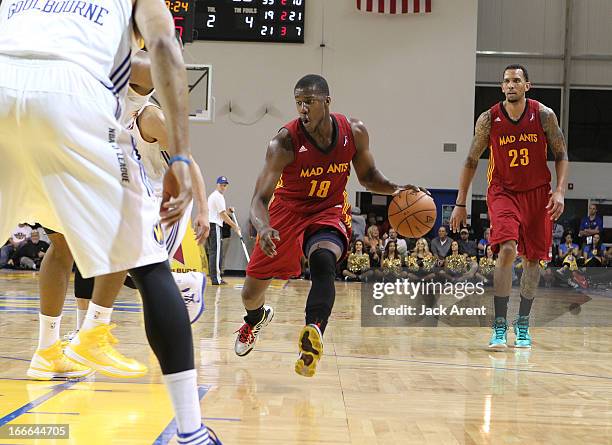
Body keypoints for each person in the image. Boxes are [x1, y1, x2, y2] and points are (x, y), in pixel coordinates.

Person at [0, 1, 220, 443]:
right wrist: (178, 154)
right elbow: (163, 48)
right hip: (74, 96)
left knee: (67, 244)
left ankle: (81, 335)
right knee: (148, 261)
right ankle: (190, 431)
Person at [233, 74, 424, 377]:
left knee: (324, 261)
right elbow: (259, 198)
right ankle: (254, 319)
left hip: (328, 209)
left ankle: (313, 330)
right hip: (287, 212)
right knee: (250, 293)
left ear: (327, 101)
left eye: (308, 102)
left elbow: (369, 176)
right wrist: (264, 227)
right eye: (298, 103)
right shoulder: (283, 142)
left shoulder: (354, 132)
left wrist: (397, 189)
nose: (303, 109)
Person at [69, 51, 209, 336]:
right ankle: (82, 328)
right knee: (90, 254)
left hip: (163, 202)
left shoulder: (149, 116)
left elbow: (189, 160)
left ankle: (186, 284)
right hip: (131, 197)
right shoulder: (109, 108)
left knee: (140, 271)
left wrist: (204, 211)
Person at [450, 64, 568, 350]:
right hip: (503, 191)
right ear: (502, 87)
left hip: (538, 194)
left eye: (517, 80)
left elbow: (561, 154)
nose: (511, 85)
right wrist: (460, 202)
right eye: (506, 81)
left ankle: (523, 324)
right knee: (507, 249)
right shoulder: (489, 119)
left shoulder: (543, 115)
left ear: (527, 85)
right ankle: (500, 325)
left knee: (532, 261)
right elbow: (470, 160)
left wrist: (561, 192)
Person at [207, 176, 241, 285]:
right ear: (217, 184)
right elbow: (222, 215)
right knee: (216, 253)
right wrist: (234, 226)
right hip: (215, 225)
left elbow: (220, 212)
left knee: (216, 252)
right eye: (221, 184)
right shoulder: (218, 196)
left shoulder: (215, 196)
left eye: (225, 185)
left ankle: (216, 277)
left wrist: (228, 211)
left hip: (213, 225)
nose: (223, 187)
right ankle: (216, 279)